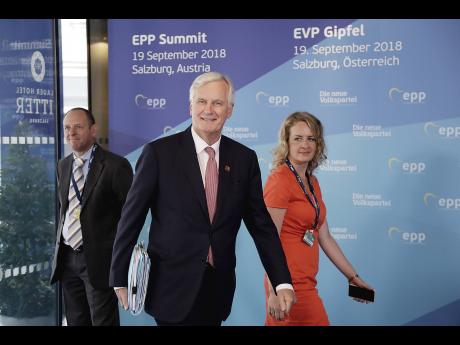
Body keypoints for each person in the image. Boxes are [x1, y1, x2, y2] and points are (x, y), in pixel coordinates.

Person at [109, 71, 295, 326]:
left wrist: (281, 281)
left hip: (216, 289)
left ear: (229, 110)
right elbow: (131, 218)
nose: (209, 109)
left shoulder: (244, 159)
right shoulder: (159, 154)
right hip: (170, 288)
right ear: (190, 107)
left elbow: (262, 226)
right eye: (202, 102)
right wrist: (119, 276)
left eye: (218, 103)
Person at [263, 111, 374, 326]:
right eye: (298, 138)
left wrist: (352, 277)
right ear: (286, 142)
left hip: (307, 282)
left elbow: (325, 237)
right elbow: (268, 240)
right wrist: (274, 290)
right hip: (287, 286)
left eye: (311, 138)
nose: (305, 144)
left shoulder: (312, 182)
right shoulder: (279, 180)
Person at [50, 107, 133, 326]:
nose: (71, 133)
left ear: (93, 130)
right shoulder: (63, 165)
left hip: (99, 261)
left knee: (102, 322)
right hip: (67, 258)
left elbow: (130, 216)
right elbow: (65, 209)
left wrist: (120, 259)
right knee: (76, 321)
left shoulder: (116, 166)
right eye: (67, 128)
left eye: (78, 126)